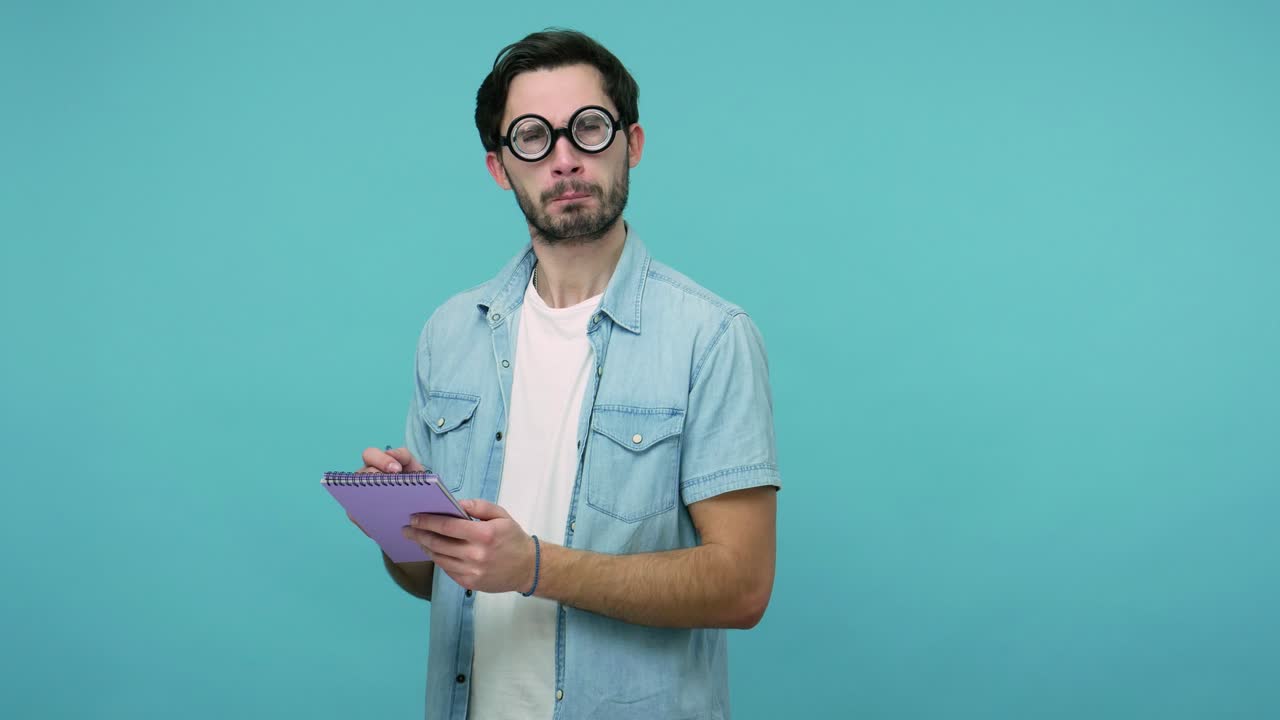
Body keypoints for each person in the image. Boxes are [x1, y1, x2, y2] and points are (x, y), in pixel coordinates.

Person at [352, 28, 780, 720]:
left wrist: (534, 566)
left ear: (631, 143)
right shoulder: (449, 334)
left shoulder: (711, 337)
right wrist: (403, 525)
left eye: (588, 128)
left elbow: (743, 585)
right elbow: (431, 580)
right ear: (500, 167)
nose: (564, 158)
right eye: (532, 137)